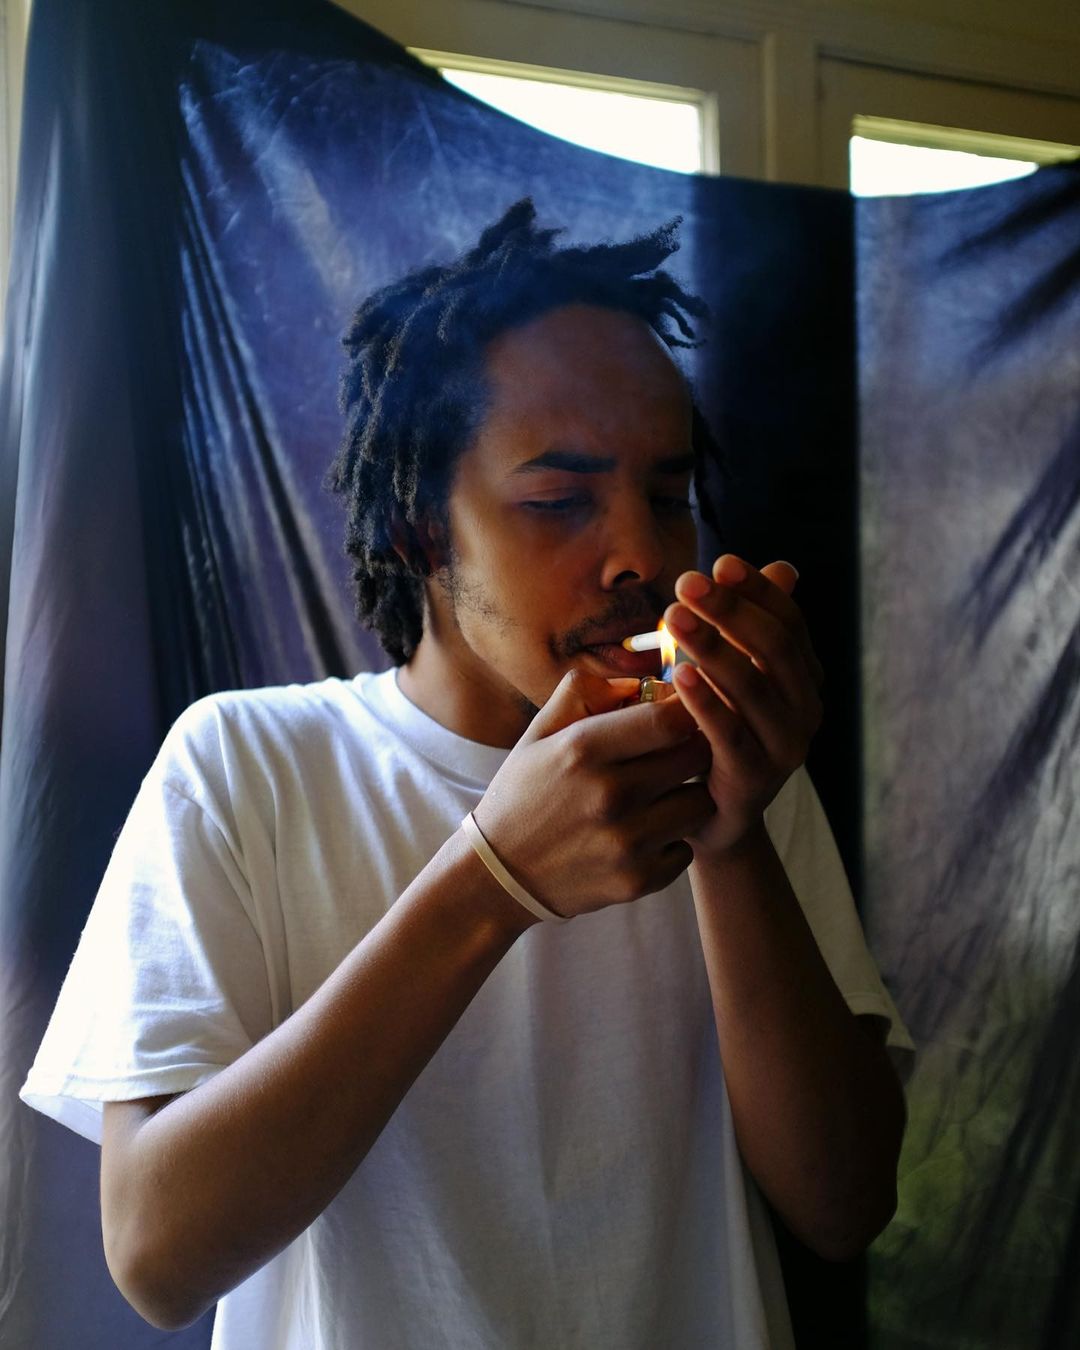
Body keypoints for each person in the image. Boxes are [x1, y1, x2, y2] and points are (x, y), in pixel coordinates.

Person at [21, 199, 912, 1349]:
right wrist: (491, 877)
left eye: (669, 495)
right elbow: (155, 1256)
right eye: (559, 501)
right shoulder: (246, 766)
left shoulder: (737, 759)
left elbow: (845, 1207)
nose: (642, 555)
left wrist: (734, 842)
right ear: (418, 532)